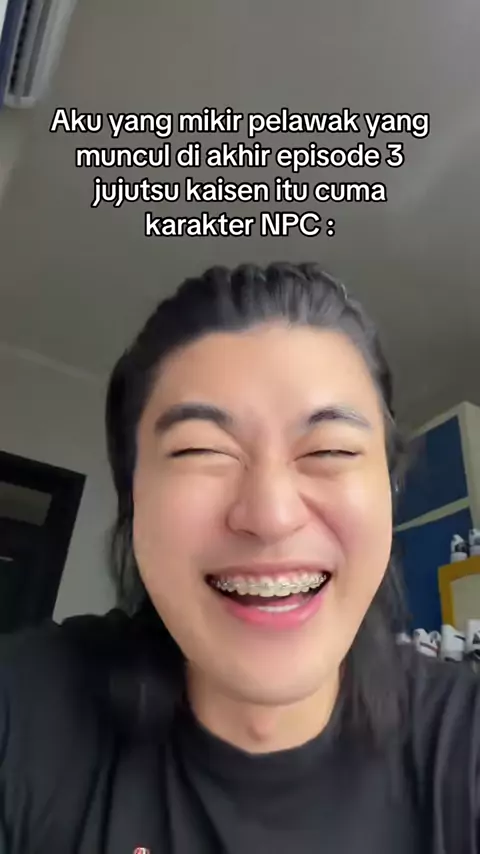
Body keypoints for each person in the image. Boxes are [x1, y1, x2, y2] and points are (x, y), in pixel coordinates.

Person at [0, 262, 478, 854]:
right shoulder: (23, 710)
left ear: (389, 489)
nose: (270, 515)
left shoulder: (465, 745)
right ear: (134, 498)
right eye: (201, 450)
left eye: (330, 450)